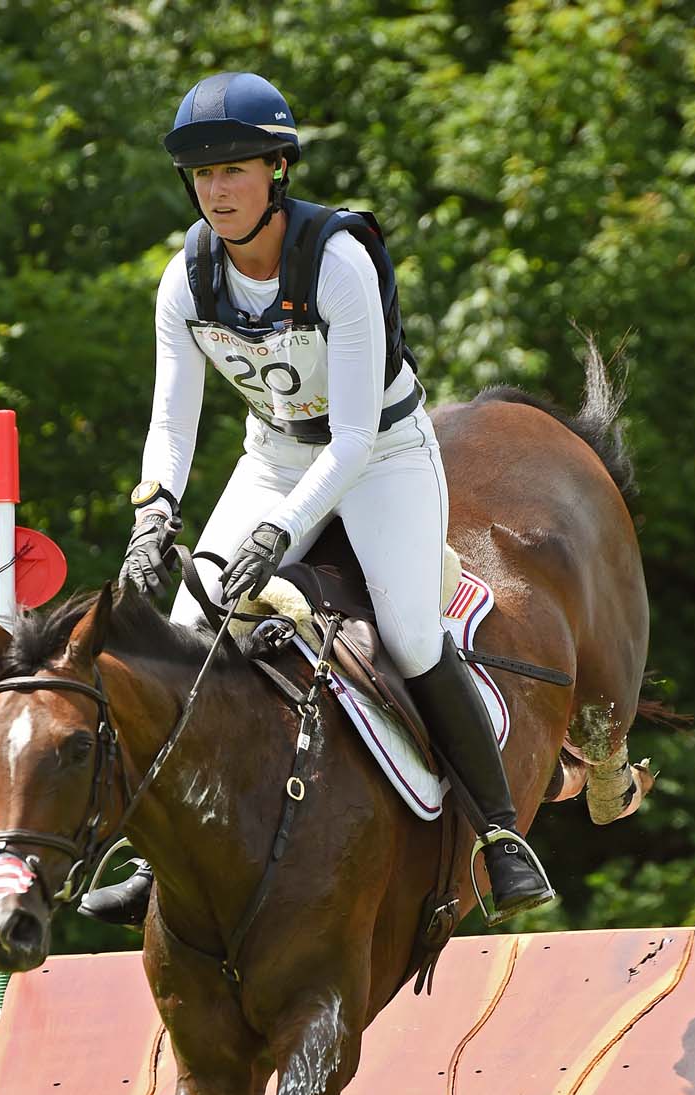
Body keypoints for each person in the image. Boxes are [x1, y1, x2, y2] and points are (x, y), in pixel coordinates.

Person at [81, 71, 554, 928]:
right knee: (190, 635)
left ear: (276, 170)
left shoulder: (335, 259)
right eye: (201, 174)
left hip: (380, 455)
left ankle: (497, 831)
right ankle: (160, 855)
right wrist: (153, 511)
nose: (215, 191)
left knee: (410, 634)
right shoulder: (185, 280)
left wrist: (280, 532)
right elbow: (172, 427)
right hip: (270, 455)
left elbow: (352, 440)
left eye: (234, 170)